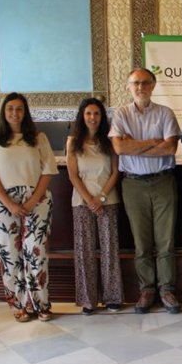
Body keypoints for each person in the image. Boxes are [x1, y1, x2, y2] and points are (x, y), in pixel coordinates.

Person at [0, 92, 59, 322]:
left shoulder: (38, 138)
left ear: (25, 112)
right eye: (10, 109)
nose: (15, 113)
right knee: (10, 256)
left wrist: (32, 200)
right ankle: (19, 305)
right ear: (4, 112)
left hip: (37, 198)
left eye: (20, 109)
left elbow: (47, 172)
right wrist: (10, 204)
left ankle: (41, 304)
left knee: (37, 253)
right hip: (1, 203)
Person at [109, 68, 182, 314]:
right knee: (141, 243)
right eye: (135, 83)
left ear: (153, 85)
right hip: (133, 185)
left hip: (163, 182)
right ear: (128, 87)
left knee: (166, 240)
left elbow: (170, 147)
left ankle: (167, 290)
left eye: (145, 83)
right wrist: (153, 141)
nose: (140, 87)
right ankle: (147, 290)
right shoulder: (121, 114)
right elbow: (119, 148)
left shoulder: (165, 113)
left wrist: (135, 145)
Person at [67, 98, 123, 315]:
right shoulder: (73, 142)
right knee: (84, 252)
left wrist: (99, 198)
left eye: (97, 114)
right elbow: (72, 174)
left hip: (107, 201)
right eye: (88, 113)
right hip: (81, 203)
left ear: (102, 117)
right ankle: (88, 300)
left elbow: (116, 172)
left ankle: (112, 297)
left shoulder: (109, 142)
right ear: (82, 116)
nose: (92, 118)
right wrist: (89, 199)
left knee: (110, 250)